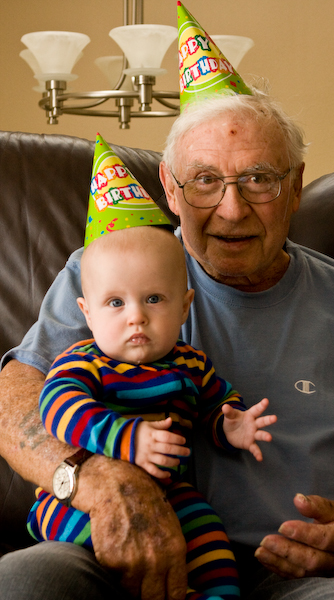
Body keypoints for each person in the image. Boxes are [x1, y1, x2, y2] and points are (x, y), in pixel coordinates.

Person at [0, 85, 334, 600]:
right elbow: (15, 399)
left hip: (301, 581)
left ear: (296, 186)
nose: (231, 210)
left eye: (259, 179)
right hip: (109, 551)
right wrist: (102, 483)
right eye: (205, 181)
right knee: (26, 582)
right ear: (170, 187)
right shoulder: (111, 275)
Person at [27, 225, 276, 600]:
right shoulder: (85, 363)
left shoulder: (191, 365)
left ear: (184, 306)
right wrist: (128, 438)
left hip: (171, 491)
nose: (136, 317)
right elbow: (58, 407)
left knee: (210, 537)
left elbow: (215, 404)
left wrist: (231, 425)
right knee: (94, 540)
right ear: (87, 313)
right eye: (115, 303)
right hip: (80, 498)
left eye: (154, 299)